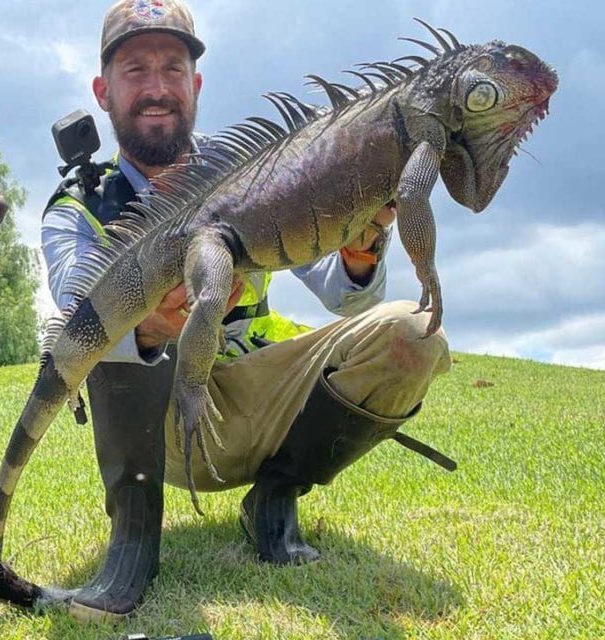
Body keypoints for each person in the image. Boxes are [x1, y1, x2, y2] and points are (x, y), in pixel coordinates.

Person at [41, 0, 453, 622]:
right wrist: (153, 321)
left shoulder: (259, 175)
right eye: (135, 70)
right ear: (103, 90)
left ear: (196, 84)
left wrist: (364, 243)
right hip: (168, 425)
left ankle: (275, 498)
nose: (157, 89)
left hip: (266, 405)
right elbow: (76, 321)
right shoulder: (77, 209)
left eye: (173, 69)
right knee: (91, 331)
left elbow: (349, 297)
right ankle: (132, 540)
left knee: (410, 334)